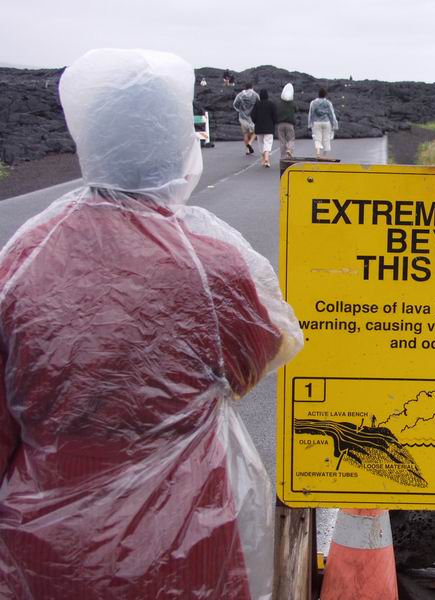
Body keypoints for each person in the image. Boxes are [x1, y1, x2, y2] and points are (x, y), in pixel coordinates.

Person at [0, 48, 303, 599]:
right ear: (177, 144)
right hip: (189, 540)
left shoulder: (21, 262)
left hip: (47, 552)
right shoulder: (212, 265)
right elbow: (256, 357)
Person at [307, 87, 338, 159]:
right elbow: (331, 114)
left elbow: (311, 113)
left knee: (317, 138)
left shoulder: (313, 102)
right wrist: (334, 124)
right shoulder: (328, 103)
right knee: (326, 138)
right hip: (326, 122)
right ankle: (324, 155)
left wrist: (310, 123)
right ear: (325, 94)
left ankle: (318, 152)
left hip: (316, 122)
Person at [251, 88, 276, 167]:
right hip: (269, 127)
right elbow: (275, 116)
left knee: (261, 143)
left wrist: (256, 122)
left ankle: (263, 159)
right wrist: (273, 123)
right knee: (268, 143)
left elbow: (253, 115)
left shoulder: (257, 104)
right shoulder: (271, 104)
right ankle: (267, 159)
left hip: (259, 127)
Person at [233, 82, 259, 155]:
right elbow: (259, 104)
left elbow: (235, 104)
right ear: (252, 87)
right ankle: (250, 143)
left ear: (245, 87)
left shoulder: (240, 95)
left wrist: (239, 110)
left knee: (245, 133)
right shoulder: (255, 95)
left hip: (242, 117)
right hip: (252, 117)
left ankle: (247, 149)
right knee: (255, 131)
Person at [275, 83, 297, 159]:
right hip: (290, 124)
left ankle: (283, 157)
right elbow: (296, 110)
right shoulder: (292, 103)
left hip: (280, 124)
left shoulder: (279, 103)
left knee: (282, 141)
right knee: (291, 138)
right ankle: (289, 150)